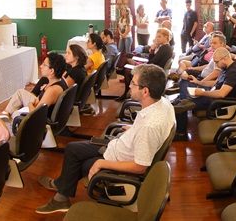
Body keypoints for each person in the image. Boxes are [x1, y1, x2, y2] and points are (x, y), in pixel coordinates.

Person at [35, 64, 175, 214]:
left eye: (133, 83)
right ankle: (60, 186)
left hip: (119, 158)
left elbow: (140, 166)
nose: (130, 86)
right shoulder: (163, 104)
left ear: (145, 91)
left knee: (79, 164)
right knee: (72, 148)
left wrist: (102, 162)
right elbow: (146, 135)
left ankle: (60, 198)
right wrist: (134, 131)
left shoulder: (149, 126)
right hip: (121, 145)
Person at [173, 48, 236, 140]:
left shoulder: (234, 72)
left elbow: (221, 94)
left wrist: (202, 93)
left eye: (216, 62)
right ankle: (186, 101)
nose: (216, 65)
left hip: (217, 101)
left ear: (225, 58)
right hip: (211, 91)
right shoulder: (226, 67)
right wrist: (198, 82)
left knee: (179, 103)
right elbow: (215, 83)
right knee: (184, 82)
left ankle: (181, 133)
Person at [2, 52, 67, 121]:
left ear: (51, 71)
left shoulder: (52, 90)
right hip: (40, 106)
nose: (41, 66)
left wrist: (30, 104)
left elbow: (36, 115)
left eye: (44, 64)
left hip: (40, 121)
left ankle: (6, 122)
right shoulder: (59, 80)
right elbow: (39, 100)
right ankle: (6, 113)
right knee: (20, 92)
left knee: (14, 113)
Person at [122, 28, 174, 99]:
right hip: (154, 68)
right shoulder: (165, 47)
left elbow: (151, 62)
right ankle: (128, 93)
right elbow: (152, 60)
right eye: (157, 36)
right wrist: (152, 50)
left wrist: (152, 49)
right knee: (128, 63)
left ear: (166, 37)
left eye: (159, 36)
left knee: (127, 70)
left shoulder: (165, 48)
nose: (157, 39)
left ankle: (127, 94)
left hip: (154, 72)